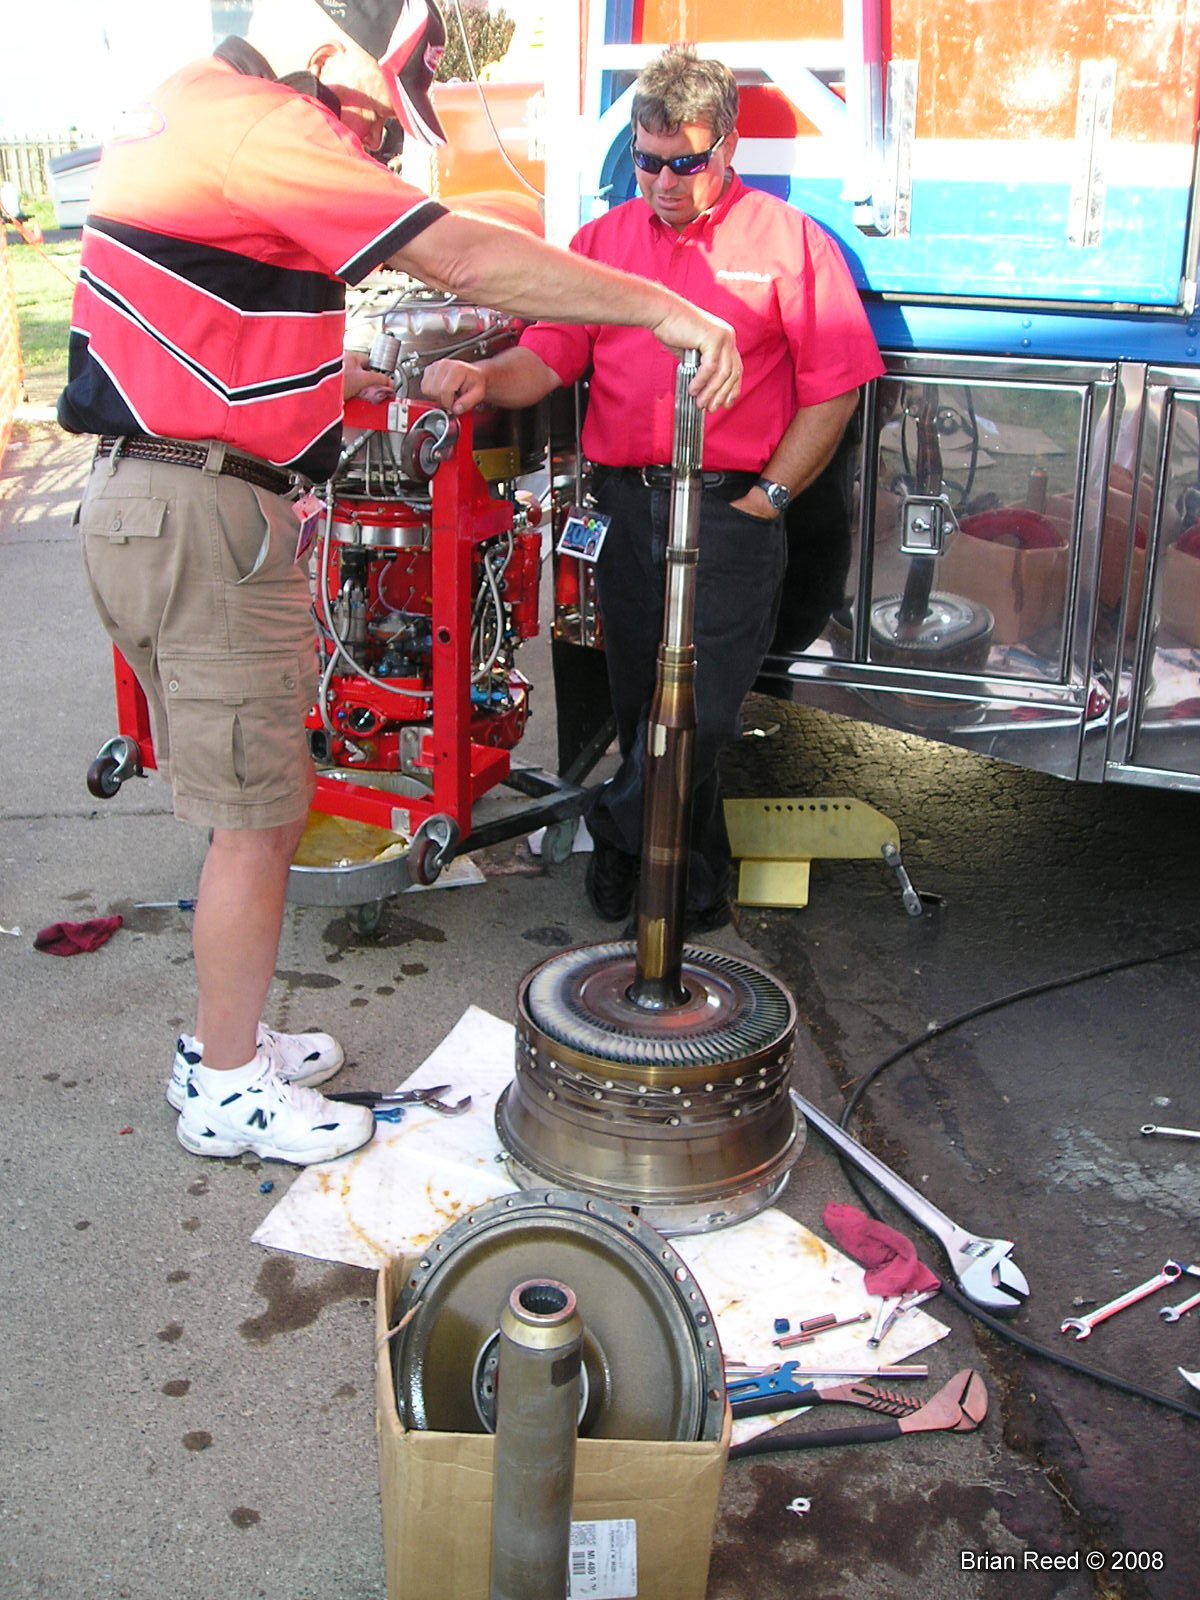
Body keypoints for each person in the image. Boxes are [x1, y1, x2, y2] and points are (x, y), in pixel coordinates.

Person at [57, 0, 741, 1168]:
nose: (371, 157)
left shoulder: (190, 115)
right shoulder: (261, 125)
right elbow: (461, 252)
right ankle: (226, 1087)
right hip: (201, 511)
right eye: (376, 128)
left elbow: (219, 332)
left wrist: (373, 364)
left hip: (163, 502)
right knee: (258, 814)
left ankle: (231, 1039)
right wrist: (666, 309)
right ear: (330, 61)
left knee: (253, 808)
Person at [421, 45, 885, 936]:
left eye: (686, 163)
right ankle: (681, 878)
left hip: (730, 509)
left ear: (729, 150)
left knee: (702, 714)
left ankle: (612, 824)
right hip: (628, 509)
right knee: (642, 706)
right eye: (648, 161)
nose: (664, 182)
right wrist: (484, 379)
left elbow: (835, 389)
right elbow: (549, 358)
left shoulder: (789, 244)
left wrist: (773, 499)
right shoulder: (601, 245)